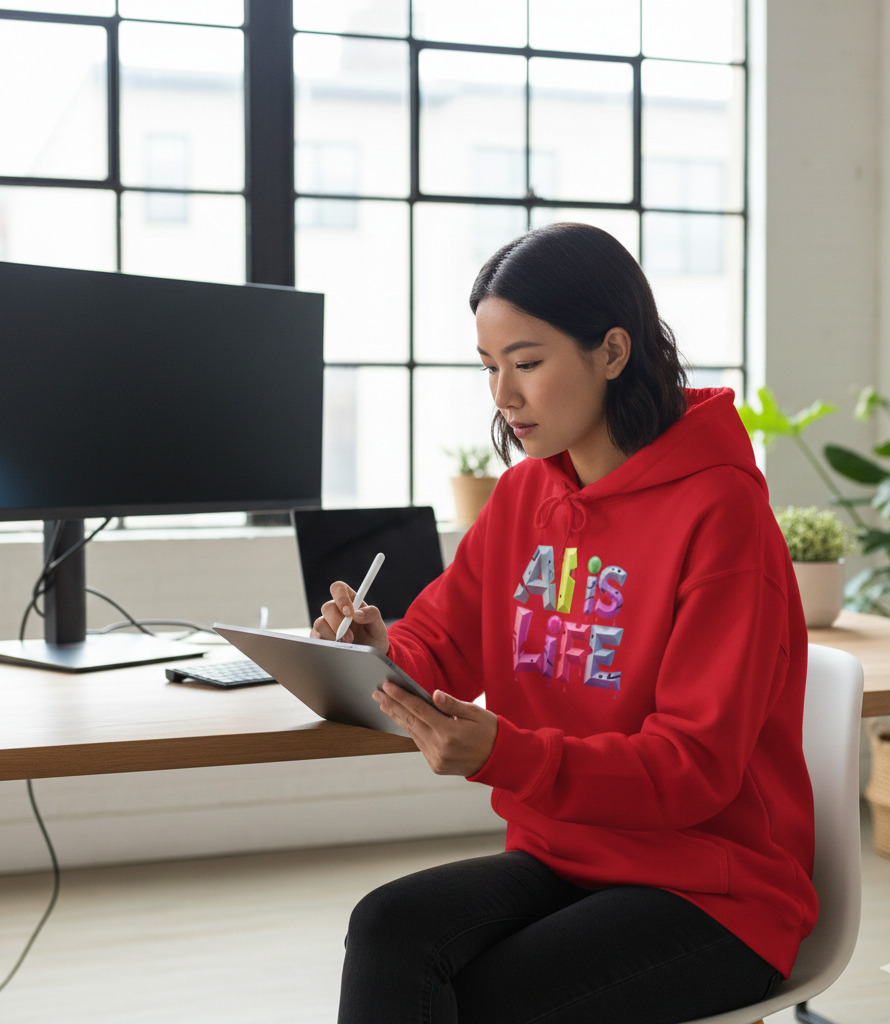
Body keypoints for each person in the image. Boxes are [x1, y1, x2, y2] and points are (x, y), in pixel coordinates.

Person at [311, 223, 816, 1024]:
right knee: (388, 928)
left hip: (715, 889)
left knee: (478, 999)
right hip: (564, 853)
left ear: (612, 351)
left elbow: (695, 767)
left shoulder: (722, 516)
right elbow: (443, 639)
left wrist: (509, 755)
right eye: (489, 367)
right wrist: (377, 649)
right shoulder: (523, 500)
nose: (503, 397)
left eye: (528, 363)